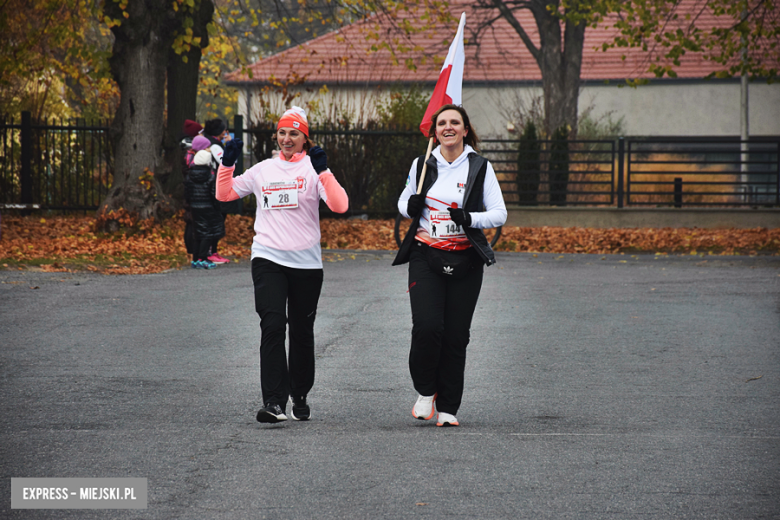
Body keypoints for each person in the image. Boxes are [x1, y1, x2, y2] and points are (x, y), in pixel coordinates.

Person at [215, 106, 349, 423]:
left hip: (306, 264)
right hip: (268, 257)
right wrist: (228, 163)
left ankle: (299, 393)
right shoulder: (264, 170)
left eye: (294, 133)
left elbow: (340, 205)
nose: (287, 139)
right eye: (283, 133)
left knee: (301, 332)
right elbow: (224, 194)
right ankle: (274, 401)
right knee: (273, 325)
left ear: (305, 138)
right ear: (276, 136)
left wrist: (324, 172)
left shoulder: (313, 171)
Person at [393, 104, 507, 427]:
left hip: (466, 260)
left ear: (465, 129)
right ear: (435, 131)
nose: (448, 127)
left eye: (454, 122)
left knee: (456, 335)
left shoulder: (480, 167)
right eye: (441, 122)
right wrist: (409, 206)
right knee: (428, 327)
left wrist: (469, 218)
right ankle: (426, 391)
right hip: (425, 255)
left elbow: (500, 213)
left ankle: (448, 407)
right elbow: (404, 200)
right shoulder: (422, 165)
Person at [184, 139, 225, 270]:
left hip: (195, 207)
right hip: (208, 207)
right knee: (208, 233)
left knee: (198, 232)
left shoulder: (189, 176)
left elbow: (187, 193)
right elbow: (214, 194)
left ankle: (195, 258)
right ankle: (203, 257)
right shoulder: (210, 176)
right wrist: (217, 206)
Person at [203, 118, 232, 265]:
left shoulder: (210, 142)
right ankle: (211, 251)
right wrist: (228, 146)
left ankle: (211, 250)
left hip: (212, 185)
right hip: (215, 186)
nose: (225, 133)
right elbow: (226, 162)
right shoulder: (215, 146)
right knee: (217, 218)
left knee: (216, 218)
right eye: (223, 130)